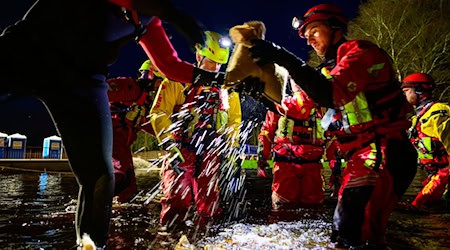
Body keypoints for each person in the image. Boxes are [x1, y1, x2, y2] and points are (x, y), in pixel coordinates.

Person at [0, 0, 222, 247]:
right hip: (29, 51)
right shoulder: (147, 11)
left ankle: (92, 245)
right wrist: (171, 13)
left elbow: (170, 65)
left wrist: (220, 79)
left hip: (83, 81)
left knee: (99, 176)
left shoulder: (149, 20)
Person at [246, 3, 417, 248]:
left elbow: (331, 94)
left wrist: (282, 56)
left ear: (335, 28)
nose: (308, 40)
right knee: (345, 233)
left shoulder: (360, 51)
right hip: (363, 155)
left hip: (384, 150)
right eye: (305, 36)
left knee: (357, 231)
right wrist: (257, 93)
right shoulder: (327, 70)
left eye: (313, 31)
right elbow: (296, 108)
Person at [150, 30, 242, 228]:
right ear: (199, 56)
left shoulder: (227, 88)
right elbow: (159, 113)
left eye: (219, 63)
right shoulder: (176, 80)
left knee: (210, 205)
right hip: (181, 151)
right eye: (211, 62)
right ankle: (169, 238)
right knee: (177, 200)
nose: (215, 67)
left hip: (211, 154)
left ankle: (206, 238)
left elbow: (235, 120)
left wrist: (231, 147)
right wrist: (169, 145)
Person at [257, 80, 325, 210]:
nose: (298, 82)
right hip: (285, 165)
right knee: (283, 207)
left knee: (314, 207)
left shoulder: (320, 107)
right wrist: (262, 159)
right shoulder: (279, 105)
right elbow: (267, 132)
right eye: (295, 79)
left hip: (313, 165)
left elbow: (331, 136)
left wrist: (335, 165)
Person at [108, 59, 164, 203]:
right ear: (152, 76)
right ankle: (101, 201)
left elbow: (149, 126)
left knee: (129, 181)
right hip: (111, 136)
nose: (160, 87)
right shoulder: (129, 87)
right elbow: (100, 92)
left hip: (121, 141)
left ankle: (122, 203)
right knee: (121, 172)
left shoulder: (144, 103)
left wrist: (168, 139)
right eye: (160, 82)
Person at [401, 72, 450, 209]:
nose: (404, 96)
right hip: (436, 176)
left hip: (445, 177)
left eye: (406, 91)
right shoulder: (419, 118)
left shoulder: (438, 114)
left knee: (419, 207)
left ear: (419, 90)